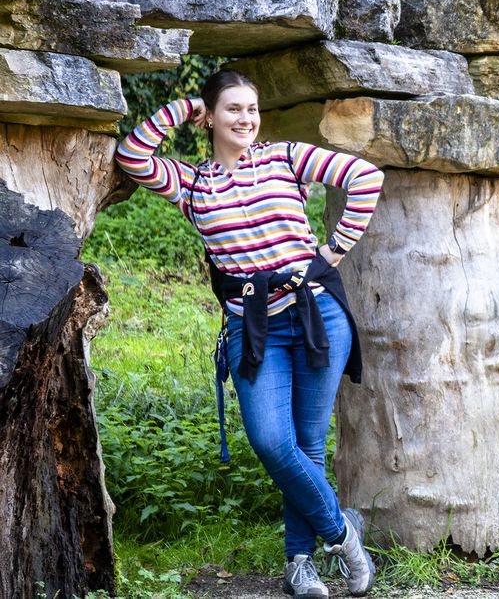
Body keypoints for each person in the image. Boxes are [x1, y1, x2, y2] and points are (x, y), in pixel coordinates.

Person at [115, 69, 384, 599]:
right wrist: (185, 106)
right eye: (232, 109)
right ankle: (343, 535)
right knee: (270, 440)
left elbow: (365, 178)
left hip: (315, 315)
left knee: (307, 446)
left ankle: (298, 565)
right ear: (211, 118)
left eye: (252, 109)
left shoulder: (284, 156)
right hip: (251, 326)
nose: (245, 118)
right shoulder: (192, 184)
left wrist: (329, 254)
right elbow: (133, 157)